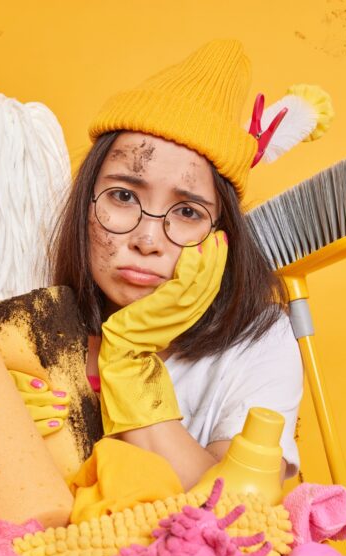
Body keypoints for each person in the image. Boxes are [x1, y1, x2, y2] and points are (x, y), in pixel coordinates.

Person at [44, 39, 306, 489]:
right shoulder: (33, 322)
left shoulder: (259, 339)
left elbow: (234, 514)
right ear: (83, 204)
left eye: (187, 212)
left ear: (223, 237)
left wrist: (128, 359)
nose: (147, 240)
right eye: (123, 197)